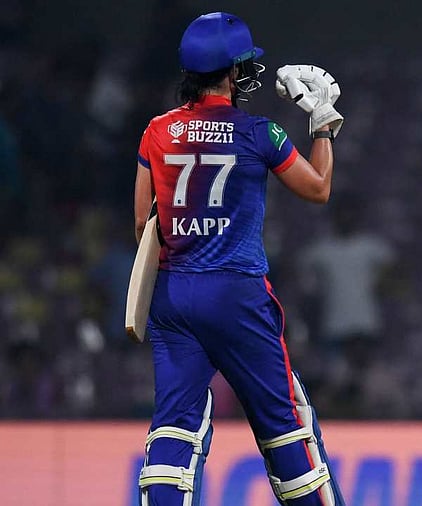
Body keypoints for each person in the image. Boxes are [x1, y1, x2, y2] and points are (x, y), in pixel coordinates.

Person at [132, 12, 346, 506]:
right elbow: (318, 188)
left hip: (173, 294)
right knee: (284, 422)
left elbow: (144, 224)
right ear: (232, 72)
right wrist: (323, 124)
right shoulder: (259, 133)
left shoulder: (156, 131)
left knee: (174, 427)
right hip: (237, 293)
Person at [299, 192, 395, 418]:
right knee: (336, 382)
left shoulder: (373, 249)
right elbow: (304, 282)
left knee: (369, 383)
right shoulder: (321, 251)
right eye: (342, 213)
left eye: (351, 213)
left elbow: (396, 277)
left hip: (367, 327)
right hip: (334, 328)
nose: (347, 218)